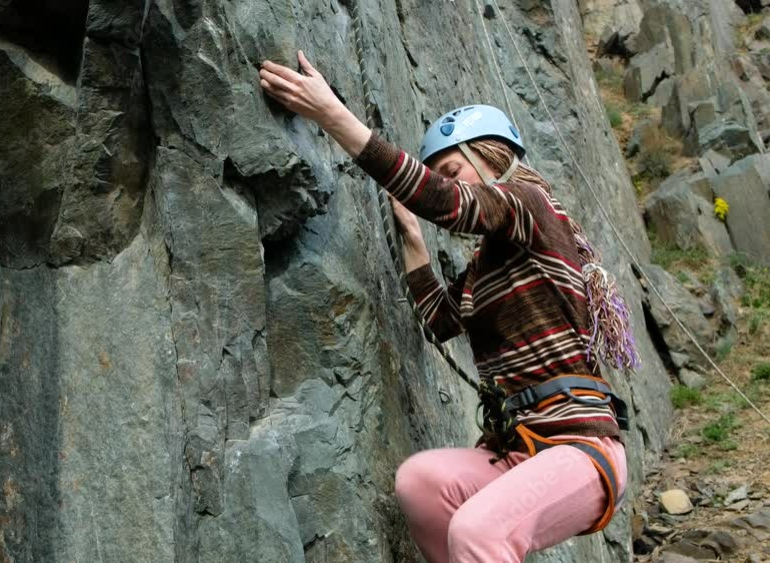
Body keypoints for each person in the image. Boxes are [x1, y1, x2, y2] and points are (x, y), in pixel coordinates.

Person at [258, 51, 641, 562]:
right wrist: (414, 243)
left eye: (454, 169)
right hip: (521, 447)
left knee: (477, 532)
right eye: (440, 173)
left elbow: (448, 203)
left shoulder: (530, 205)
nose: (449, 180)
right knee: (420, 483)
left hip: (581, 446)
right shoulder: (491, 264)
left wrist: (333, 116)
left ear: (492, 156)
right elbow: (440, 321)